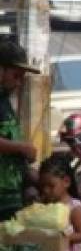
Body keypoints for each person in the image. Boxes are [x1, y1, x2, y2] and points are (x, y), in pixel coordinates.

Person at [0, 40, 40, 222]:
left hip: (11, 196)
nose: (19, 83)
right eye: (16, 76)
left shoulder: (5, 101)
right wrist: (21, 148)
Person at [38, 153, 81, 251]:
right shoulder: (44, 203)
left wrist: (61, 237)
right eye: (43, 186)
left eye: (51, 186)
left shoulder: (74, 207)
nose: (46, 190)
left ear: (66, 182)